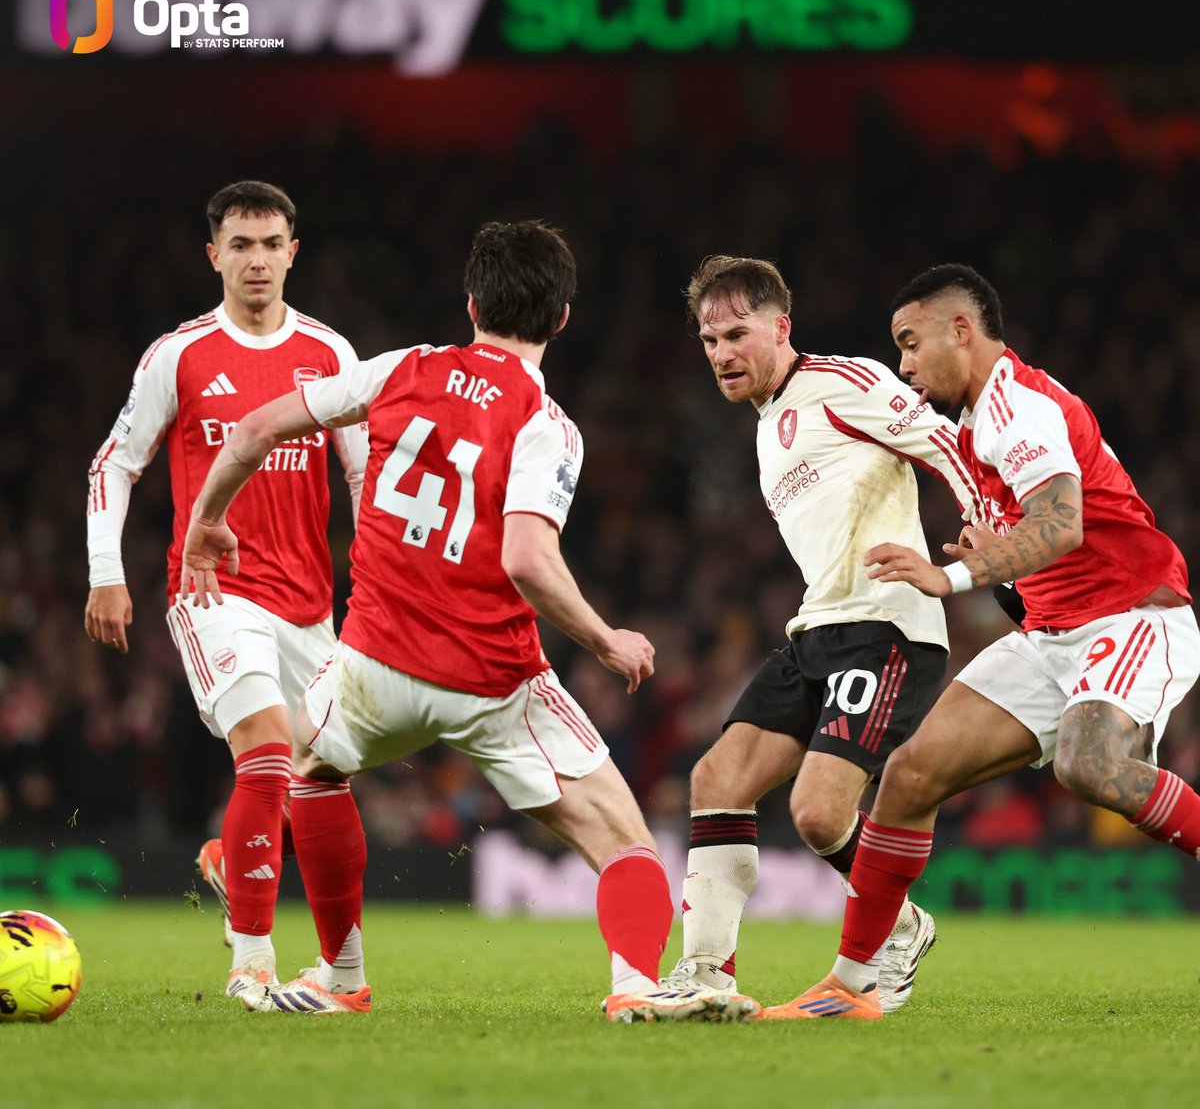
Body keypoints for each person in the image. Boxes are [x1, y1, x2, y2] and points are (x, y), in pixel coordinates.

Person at [178, 220, 757, 1023]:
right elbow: (527, 559)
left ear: (473, 303)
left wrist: (208, 520)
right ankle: (634, 985)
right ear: (562, 319)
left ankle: (341, 977)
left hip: (373, 664)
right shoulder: (546, 423)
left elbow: (253, 430)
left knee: (310, 771)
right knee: (626, 842)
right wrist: (605, 638)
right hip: (494, 681)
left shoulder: (400, 368)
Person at [777, 263, 1200, 1019]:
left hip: (1133, 614)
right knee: (910, 776)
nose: (904, 365)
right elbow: (1041, 554)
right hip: (1052, 635)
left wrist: (953, 576)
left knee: (1090, 765)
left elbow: (1061, 524)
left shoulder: (1017, 407)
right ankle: (855, 981)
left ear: (961, 331)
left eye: (911, 343)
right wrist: (998, 563)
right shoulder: (976, 428)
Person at [660, 256, 986, 1015]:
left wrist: (989, 536)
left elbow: (947, 445)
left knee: (817, 814)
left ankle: (895, 928)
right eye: (709, 340)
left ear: (782, 327)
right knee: (716, 781)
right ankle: (703, 973)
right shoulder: (767, 426)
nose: (720, 353)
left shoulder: (843, 380)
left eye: (736, 334)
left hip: (888, 627)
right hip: (819, 627)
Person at [85, 181, 368, 1009]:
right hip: (214, 592)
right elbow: (115, 463)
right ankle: (252, 962)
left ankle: (243, 865)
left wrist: (378, 585)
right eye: (240, 244)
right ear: (214, 256)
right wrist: (106, 571)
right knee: (268, 747)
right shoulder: (178, 355)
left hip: (310, 607)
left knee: (323, 781)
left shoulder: (330, 353)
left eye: (271, 243)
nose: (256, 259)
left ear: (293, 253)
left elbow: (365, 473)